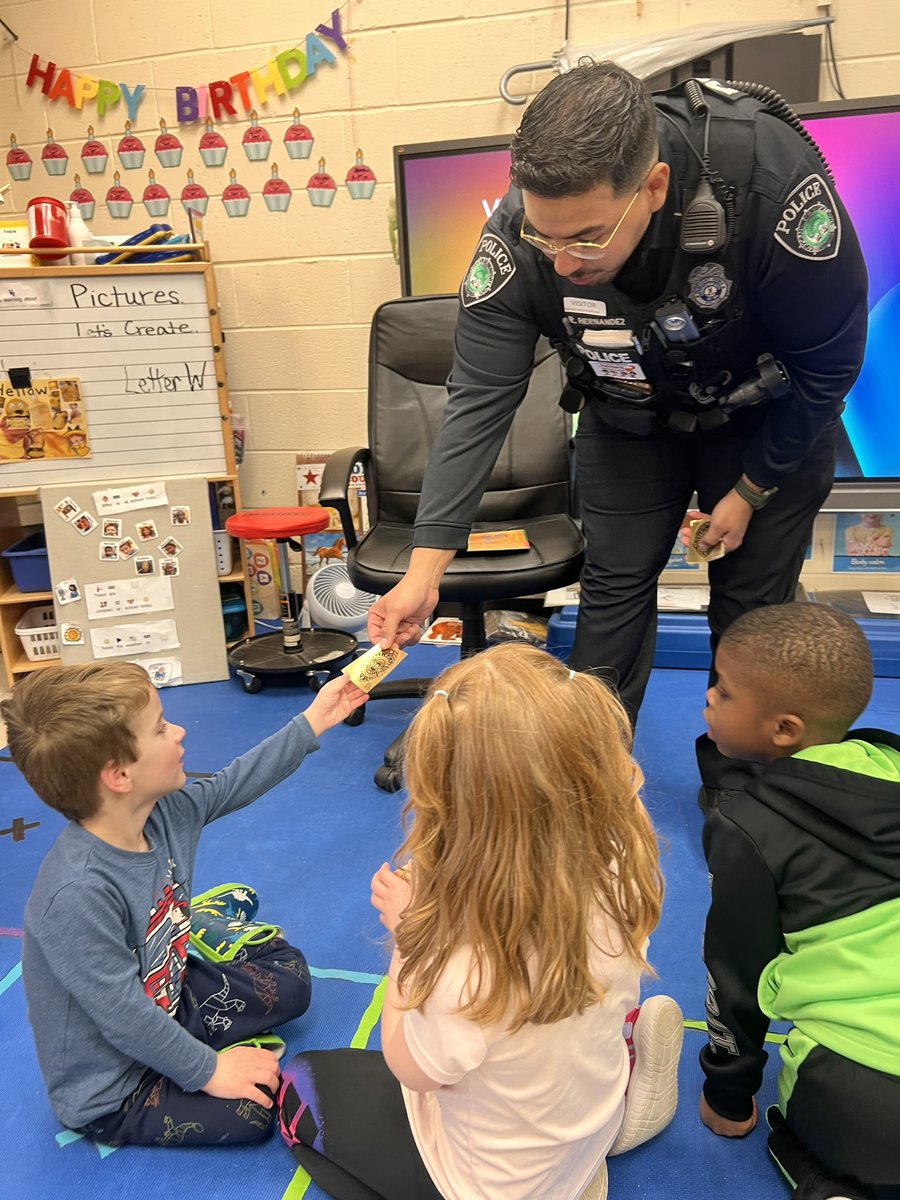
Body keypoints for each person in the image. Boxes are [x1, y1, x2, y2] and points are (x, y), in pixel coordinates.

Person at [367, 61, 868, 805]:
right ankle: (589, 782)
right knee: (612, 597)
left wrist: (751, 490)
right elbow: (477, 403)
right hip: (628, 415)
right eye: (546, 238)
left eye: (588, 239)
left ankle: (747, 802)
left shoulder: (770, 184)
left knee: (751, 615)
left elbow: (828, 368)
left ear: (654, 187)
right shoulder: (520, 236)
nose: (564, 261)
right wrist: (424, 572)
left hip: (767, 418)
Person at [277, 643, 683, 1200]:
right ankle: (612, 1127)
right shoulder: (621, 862)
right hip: (580, 1119)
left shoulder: (461, 962)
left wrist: (410, 940)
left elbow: (412, 1070)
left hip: (495, 1181)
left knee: (300, 1086)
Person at [2, 661, 367, 1148]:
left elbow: (234, 782)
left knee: (294, 982)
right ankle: (187, 922)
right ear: (119, 774)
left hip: (169, 997)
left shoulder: (166, 812)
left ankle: (193, 920)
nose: (179, 731)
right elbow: (124, 1017)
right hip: (115, 1086)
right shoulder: (77, 895)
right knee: (253, 1112)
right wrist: (211, 1070)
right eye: (160, 728)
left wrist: (315, 719)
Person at [699, 602, 900, 1199]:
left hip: (871, 1096)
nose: (708, 697)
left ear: (784, 730)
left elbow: (735, 976)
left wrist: (726, 1095)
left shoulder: (746, 827)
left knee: (807, 1137)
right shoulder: (889, 762)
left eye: (723, 690)